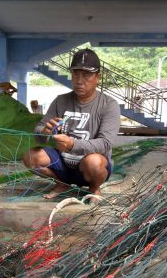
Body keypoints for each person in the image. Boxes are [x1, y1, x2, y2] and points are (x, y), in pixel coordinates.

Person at [23, 48, 120, 201]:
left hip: (87, 167)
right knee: (31, 157)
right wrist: (45, 132)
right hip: (62, 164)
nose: (79, 80)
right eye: (75, 74)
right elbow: (38, 132)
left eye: (86, 74)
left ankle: (94, 188)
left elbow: (105, 143)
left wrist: (72, 144)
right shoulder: (60, 100)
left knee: (94, 162)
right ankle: (62, 183)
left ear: (97, 77)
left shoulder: (109, 105)